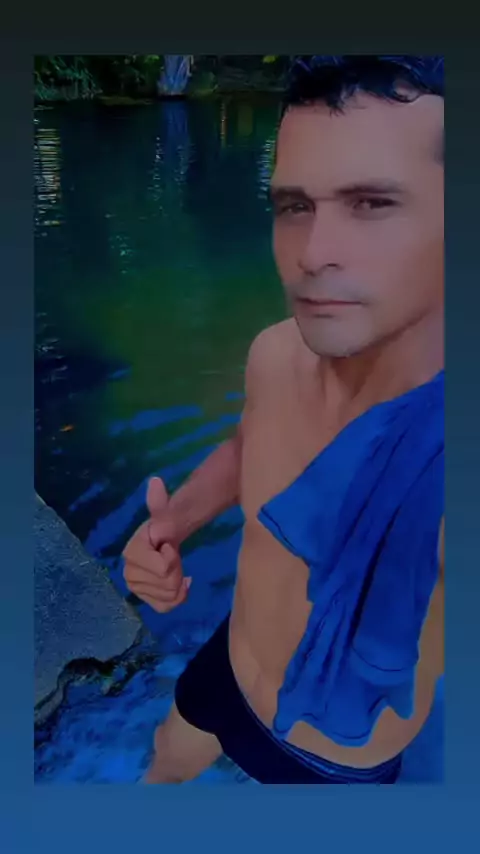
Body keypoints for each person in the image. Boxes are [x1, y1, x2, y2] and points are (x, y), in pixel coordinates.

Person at [123, 55, 444, 784]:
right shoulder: (274, 353)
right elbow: (249, 445)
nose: (313, 253)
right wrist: (174, 525)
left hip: (339, 751)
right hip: (232, 662)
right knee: (164, 763)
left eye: (372, 203)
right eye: (294, 205)